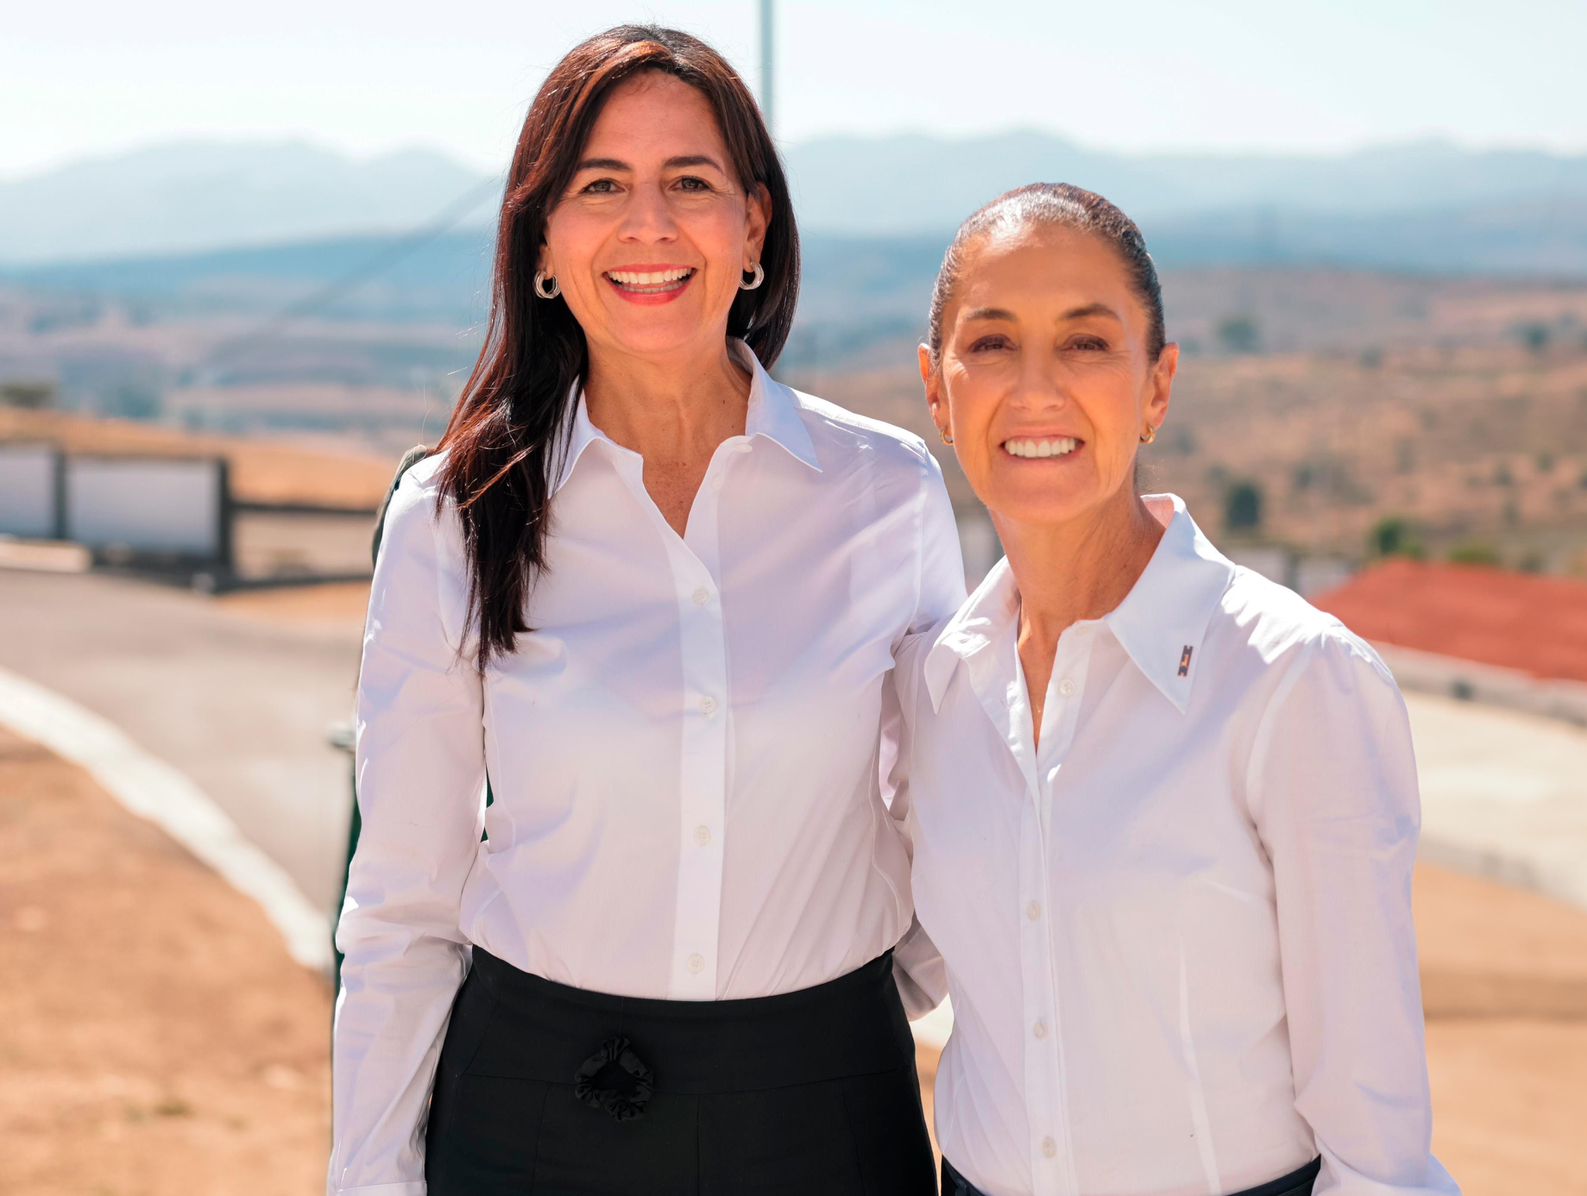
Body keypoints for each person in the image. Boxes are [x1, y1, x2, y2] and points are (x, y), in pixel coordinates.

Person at [328, 25, 963, 1196]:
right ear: (542, 241)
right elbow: (402, 903)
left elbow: (950, 818)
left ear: (753, 228)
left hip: (826, 1115)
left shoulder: (886, 493)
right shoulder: (452, 515)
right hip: (527, 1120)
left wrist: (827, 1009)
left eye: (691, 183)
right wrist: (368, 1175)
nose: (650, 225)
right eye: (602, 186)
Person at [894, 183, 1459, 1196]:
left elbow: (1376, 1147)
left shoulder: (1295, 683)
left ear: (1157, 388)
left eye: (1086, 343)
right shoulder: (933, 687)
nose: (1035, 389)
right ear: (938, 392)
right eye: (992, 343)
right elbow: (889, 967)